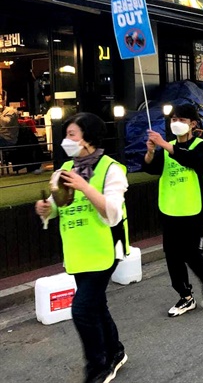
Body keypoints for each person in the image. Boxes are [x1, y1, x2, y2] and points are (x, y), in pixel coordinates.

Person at [34, 113, 129, 383]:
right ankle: (116, 351)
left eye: (72, 134)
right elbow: (58, 207)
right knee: (97, 306)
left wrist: (84, 186)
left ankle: (98, 366)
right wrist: (46, 210)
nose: (67, 140)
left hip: (104, 251)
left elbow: (112, 212)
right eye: (67, 135)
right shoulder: (63, 169)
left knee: (82, 309)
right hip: (77, 252)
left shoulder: (111, 169)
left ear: (88, 138)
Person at [143, 104, 203, 317]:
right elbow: (150, 168)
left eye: (182, 120)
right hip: (169, 209)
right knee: (172, 255)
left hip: (194, 208)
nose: (176, 123)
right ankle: (185, 296)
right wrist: (150, 152)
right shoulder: (167, 150)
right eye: (173, 119)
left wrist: (165, 145)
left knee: (191, 253)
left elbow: (193, 161)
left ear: (193, 124)